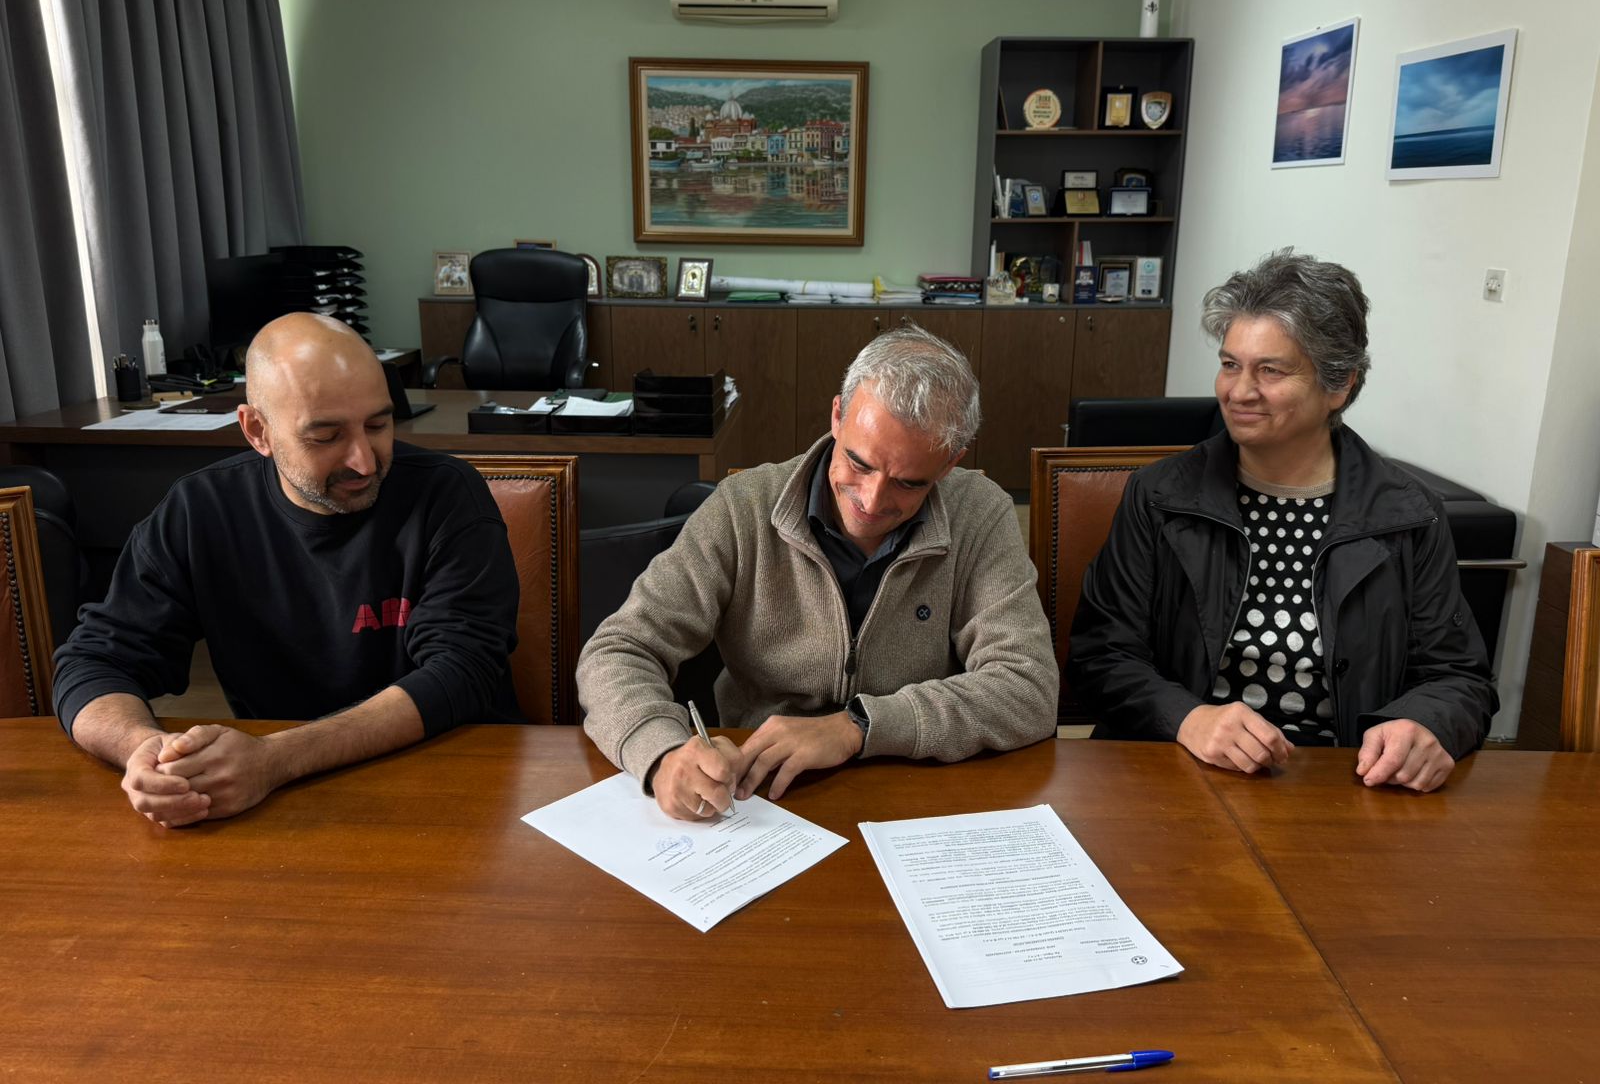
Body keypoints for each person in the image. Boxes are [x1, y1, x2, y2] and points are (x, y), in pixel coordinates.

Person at [54, 313, 521, 827]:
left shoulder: (446, 495)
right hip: (284, 805)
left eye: (378, 425)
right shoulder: (199, 511)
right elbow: (95, 660)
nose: (365, 461)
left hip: (447, 778)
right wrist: (145, 751)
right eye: (326, 436)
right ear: (257, 430)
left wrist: (276, 759)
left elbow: (463, 671)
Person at [578, 325, 1058, 820]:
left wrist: (859, 726)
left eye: (909, 483)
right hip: (755, 796)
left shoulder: (980, 513)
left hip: (915, 791)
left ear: (950, 463)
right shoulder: (742, 509)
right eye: (859, 463)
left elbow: (1029, 688)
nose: (872, 501)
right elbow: (619, 649)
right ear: (837, 416)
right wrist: (660, 753)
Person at [1069, 249, 1497, 793]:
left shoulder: (1407, 514)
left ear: (1339, 385)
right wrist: (1186, 717)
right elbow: (1100, 654)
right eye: (1230, 364)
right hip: (1181, 770)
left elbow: (1459, 677)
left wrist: (1425, 724)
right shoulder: (1160, 495)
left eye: (1270, 370)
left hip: (1347, 783)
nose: (1238, 392)